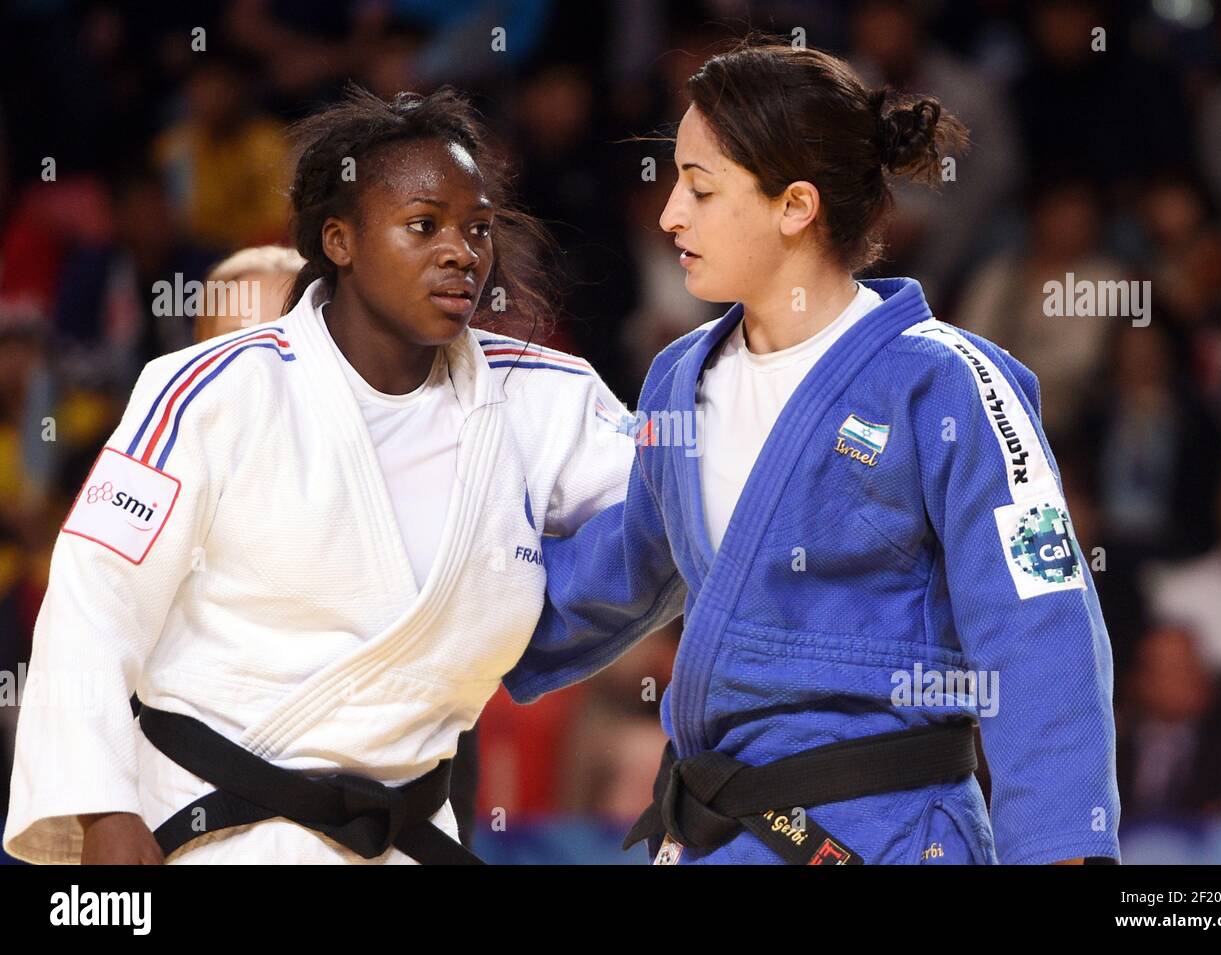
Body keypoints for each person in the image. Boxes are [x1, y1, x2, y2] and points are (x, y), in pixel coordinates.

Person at [504, 40, 1121, 865]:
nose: (669, 215)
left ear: (795, 205)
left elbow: (1039, 620)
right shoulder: (678, 380)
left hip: (889, 831)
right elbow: (620, 570)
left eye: (700, 186)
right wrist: (443, 630)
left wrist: (1061, 849)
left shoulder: (946, 382)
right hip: (718, 833)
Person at [3, 85, 635, 864]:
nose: (461, 252)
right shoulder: (213, 389)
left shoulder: (545, 399)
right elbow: (94, 595)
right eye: (423, 224)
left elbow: (686, 521)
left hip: (403, 833)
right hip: (208, 828)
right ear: (340, 241)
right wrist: (101, 807)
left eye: (477, 229)